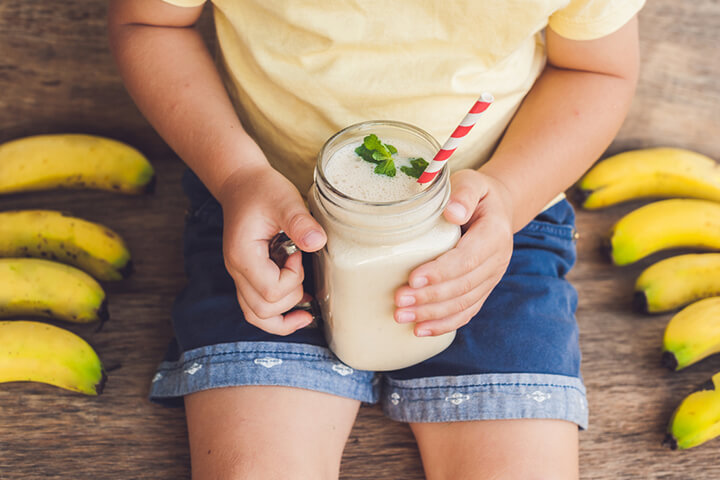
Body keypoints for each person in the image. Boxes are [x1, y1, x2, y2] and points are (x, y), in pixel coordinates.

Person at [108, 0, 644, 478]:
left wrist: (510, 192)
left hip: (493, 223)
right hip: (265, 220)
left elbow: (595, 70)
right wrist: (235, 177)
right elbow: (148, 22)